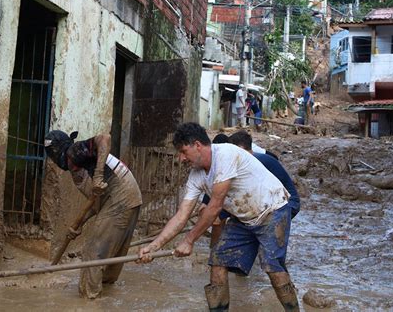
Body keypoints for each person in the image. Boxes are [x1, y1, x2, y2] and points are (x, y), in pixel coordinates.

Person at [137, 123, 299, 311]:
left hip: (273, 210)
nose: (181, 158)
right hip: (244, 218)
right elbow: (182, 215)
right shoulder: (196, 176)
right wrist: (153, 246)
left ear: (197, 145)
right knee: (218, 260)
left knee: (273, 267)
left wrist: (189, 240)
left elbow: (215, 207)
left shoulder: (225, 155)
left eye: (183, 151)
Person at [44, 130, 142, 299]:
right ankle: (107, 293)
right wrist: (79, 225)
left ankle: (89, 300)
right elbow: (96, 202)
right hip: (129, 196)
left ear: (56, 151)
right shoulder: (78, 165)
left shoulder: (74, 151)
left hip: (120, 195)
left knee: (92, 250)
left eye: (52, 155)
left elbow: (104, 138)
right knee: (112, 251)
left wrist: (97, 176)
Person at [228, 130, 300, 219]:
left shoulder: (257, 162)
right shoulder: (252, 160)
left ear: (240, 148)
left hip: (287, 203)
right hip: (274, 201)